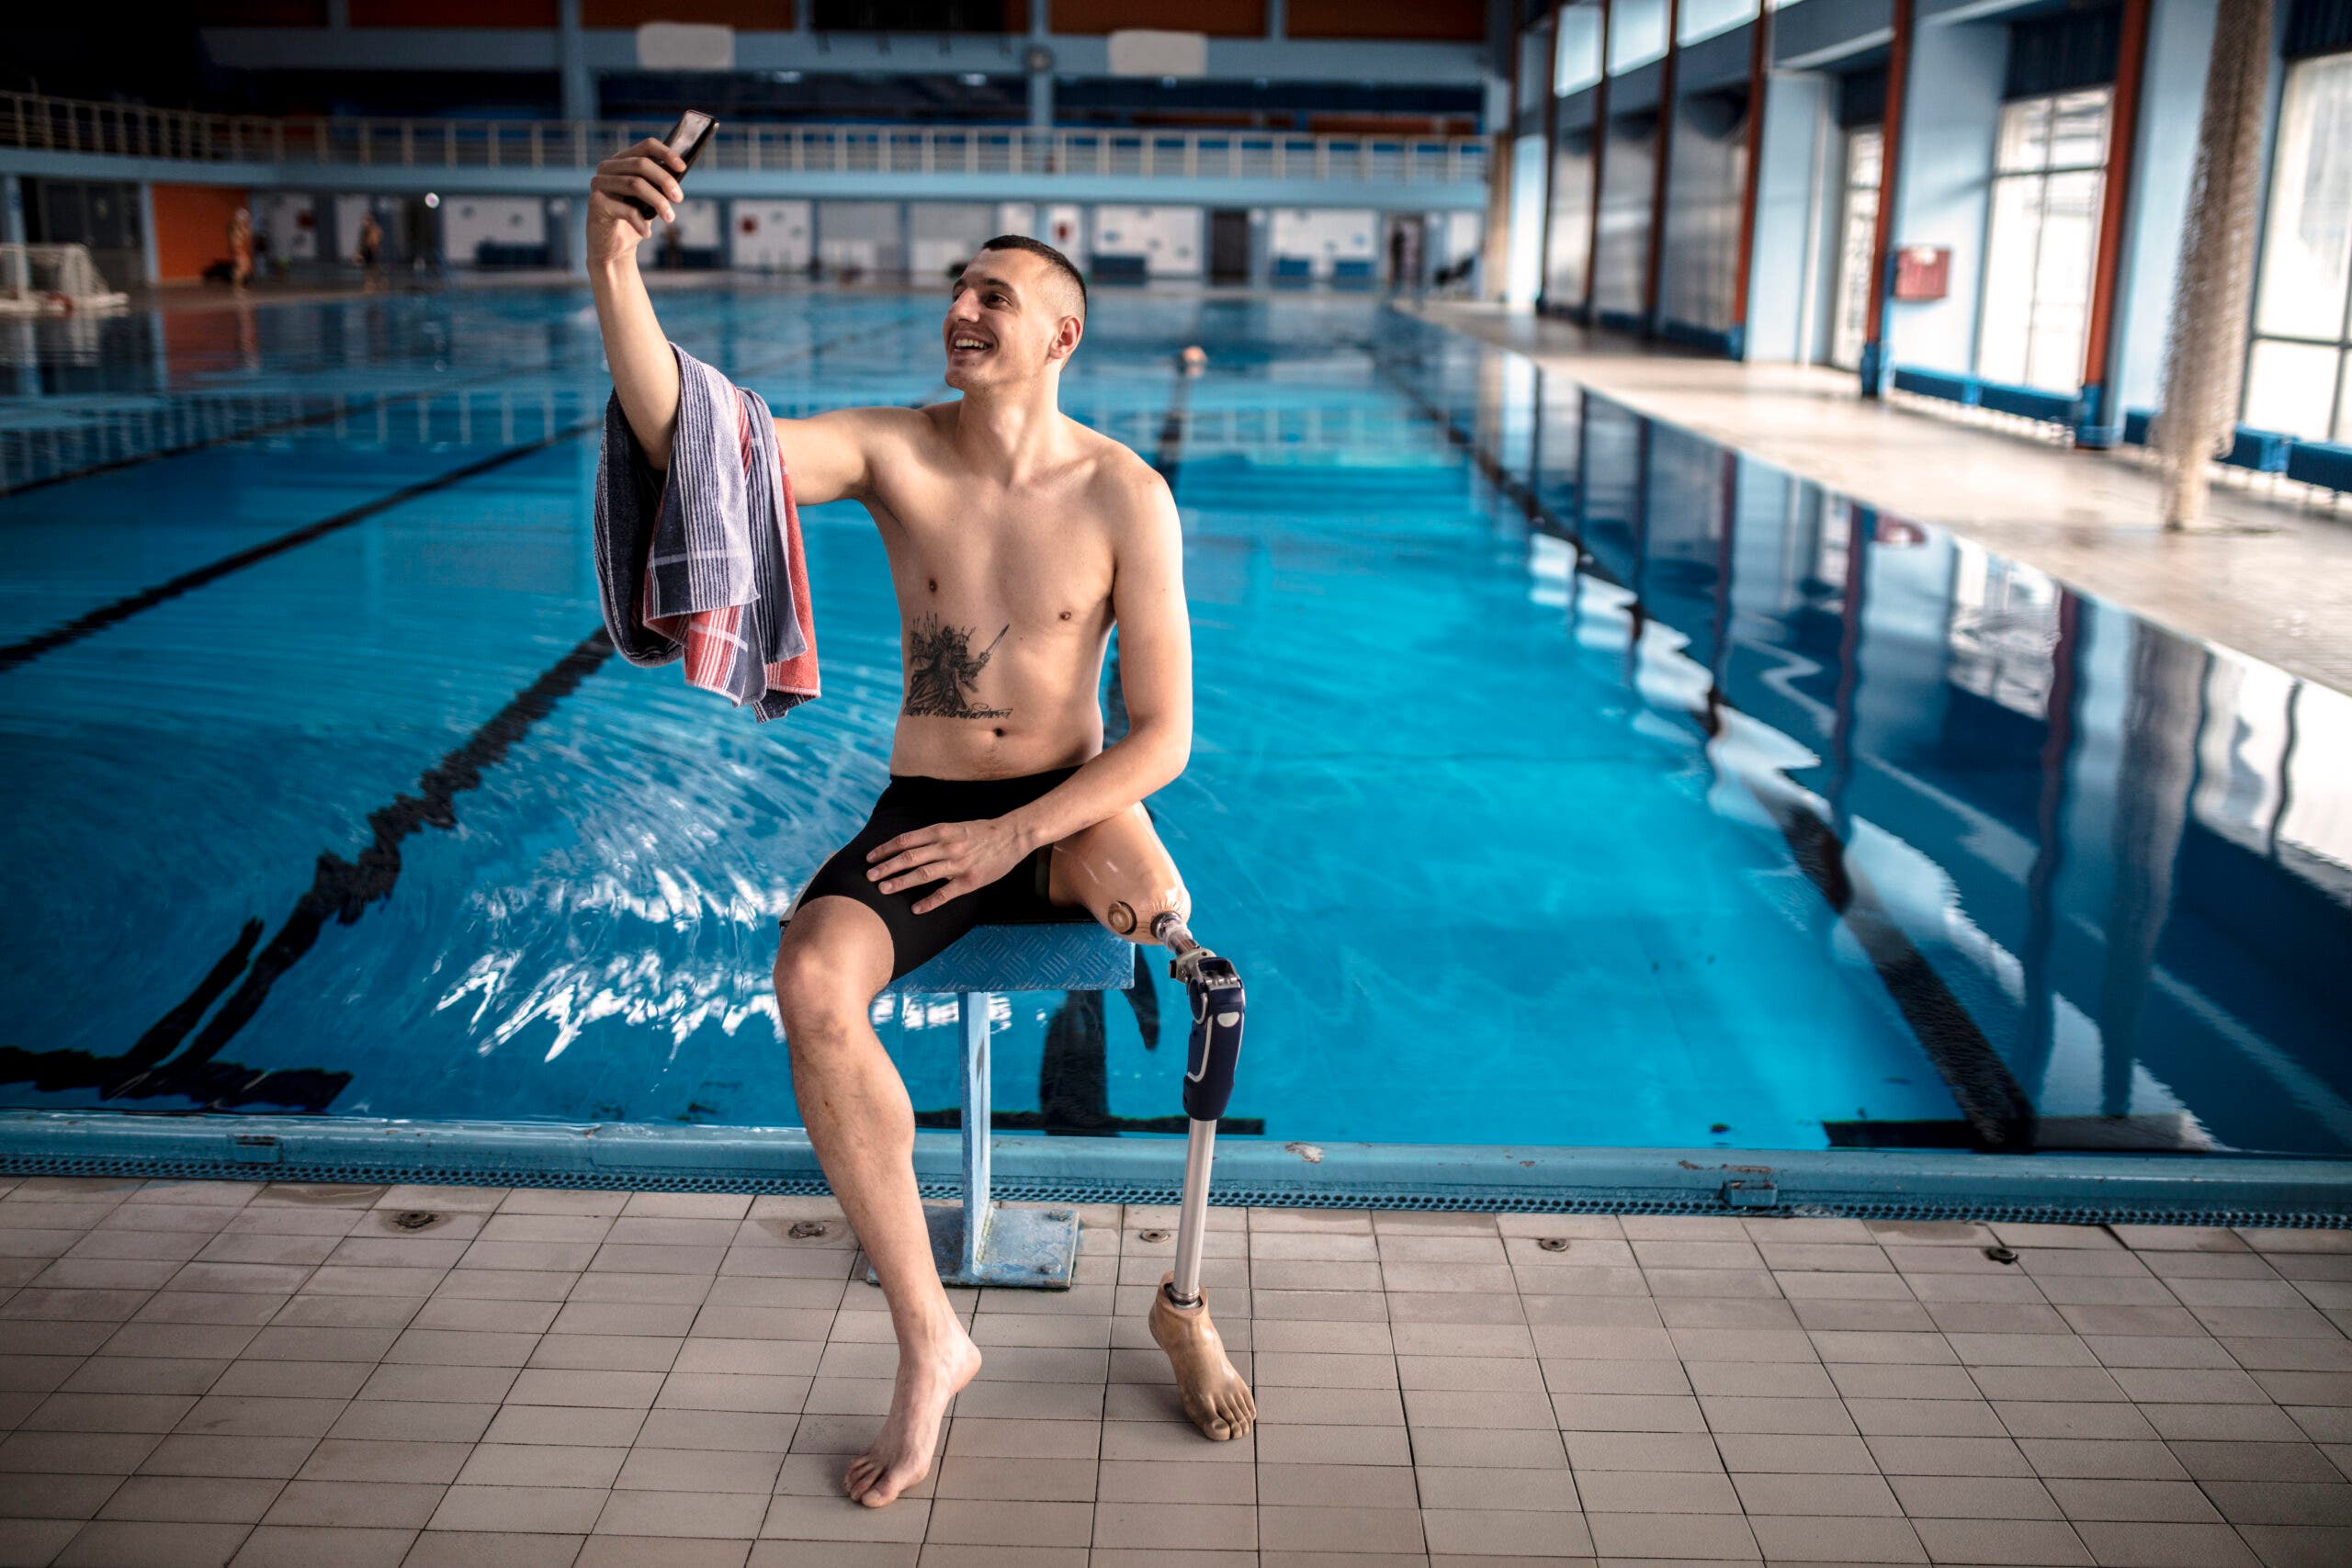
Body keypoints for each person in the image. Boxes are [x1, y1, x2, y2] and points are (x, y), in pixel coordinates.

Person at [585, 141, 1253, 1509]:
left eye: (994, 293)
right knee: (811, 981)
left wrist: (1014, 842)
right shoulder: (896, 448)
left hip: (1067, 812)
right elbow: (693, 434)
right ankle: (929, 1335)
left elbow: (1164, 739)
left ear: (1061, 330)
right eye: (958, 288)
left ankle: (1184, 1299)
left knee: (1206, 981)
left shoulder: (1128, 489)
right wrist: (612, 257)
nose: (963, 306)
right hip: (928, 802)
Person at [228, 208, 254, 293]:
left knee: (245, 267)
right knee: (241, 268)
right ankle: (237, 287)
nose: (246, 220)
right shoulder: (236, 227)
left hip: (240, 248)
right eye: (245, 218)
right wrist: (237, 250)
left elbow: (246, 236)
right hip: (238, 248)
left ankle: (238, 285)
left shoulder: (241, 227)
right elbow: (236, 239)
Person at [356, 211, 383, 291]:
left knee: (373, 267)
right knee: (368, 267)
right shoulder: (364, 231)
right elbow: (361, 242)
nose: (364, 223)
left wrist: (376, 249)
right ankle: (369, 282)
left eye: (366, 221)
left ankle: (378, 281)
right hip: (366, 250)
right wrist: (359, 253)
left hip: (371, 250)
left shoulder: (375, 230)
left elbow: (376, 241)